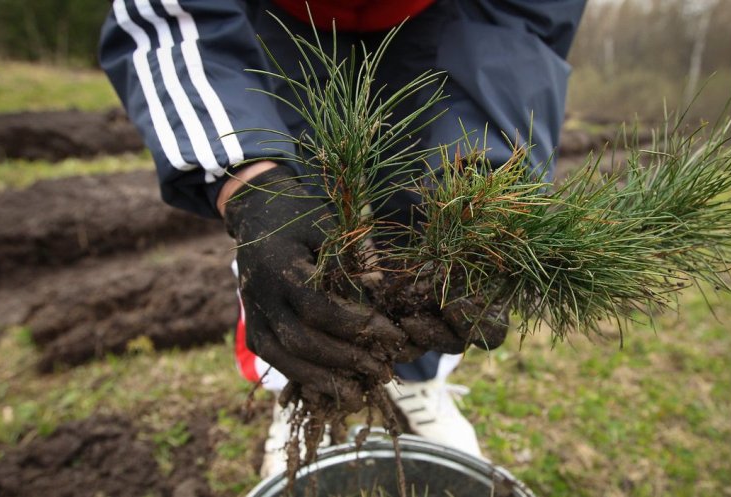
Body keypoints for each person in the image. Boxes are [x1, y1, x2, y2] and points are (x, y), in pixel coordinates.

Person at [99, 0, 585, 478]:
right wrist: (249, 181)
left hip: (441, 14)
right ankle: (305, 388)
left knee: (428, 218)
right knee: (290, 236)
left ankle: (414, 380)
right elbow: (173, 15)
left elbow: (519, 22)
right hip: (276, 12)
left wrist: (482, 181)